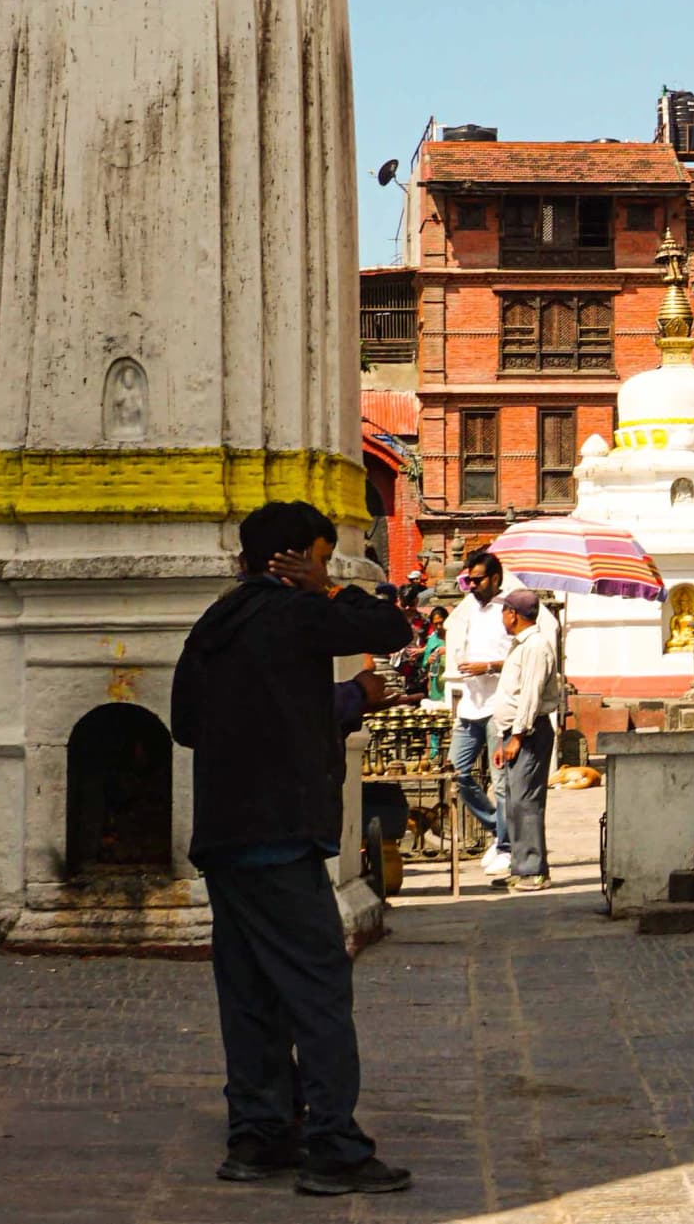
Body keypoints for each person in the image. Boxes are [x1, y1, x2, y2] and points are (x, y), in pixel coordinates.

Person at [173, 500, 416, 1195]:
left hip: (224, 839)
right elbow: (391, 626)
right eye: (320, 555)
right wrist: (328, 590)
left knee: (249, 991)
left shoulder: (212, 623)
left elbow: (188, 723)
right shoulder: (300, 611)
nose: (324, 567)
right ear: (299, 558)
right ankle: (334, 1143)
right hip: (282, 835)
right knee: (317, 990)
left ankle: (258, 1133)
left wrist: (320, 705)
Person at [487, 588, 569, 892]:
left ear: (512, 614)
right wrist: (503, 737)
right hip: (513, 731)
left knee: (527, 802)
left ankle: (533, 868)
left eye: (504, 611)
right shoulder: (519, 646)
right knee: (514, 802)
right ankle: (521, 865)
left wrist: (517, 736)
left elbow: (530, 697)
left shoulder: (535, 646)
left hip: (530, 731)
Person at [444, 552, 511, 877]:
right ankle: (497, 829)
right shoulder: (468, 611)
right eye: (468, 580)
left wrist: (487, 666)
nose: (471, 586)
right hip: (470, 703)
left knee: (501, 783)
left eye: (478, 580)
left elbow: (519, 655)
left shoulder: (508, 611)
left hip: (498, 706)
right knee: (457, 772)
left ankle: (507, 846)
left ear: (495, 578)